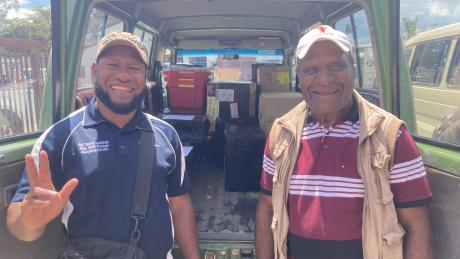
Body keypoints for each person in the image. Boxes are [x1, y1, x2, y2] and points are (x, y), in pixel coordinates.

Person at [7, 32, 200, 259]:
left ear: (146, 76)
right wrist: (30, 220)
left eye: (134, 68)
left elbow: (180, 206)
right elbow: (18, 221)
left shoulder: (166, 134)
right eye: (113, 64)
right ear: (94, 70)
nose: (123, 75)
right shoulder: (60, 136)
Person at [255, 25, 433, 259]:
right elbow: (267, 209)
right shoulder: (281, 134)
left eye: (336, 66)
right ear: (299, 76)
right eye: (311, 70)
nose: (325, 80)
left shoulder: (391, 136)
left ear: (353, 69)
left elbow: (417, 226)